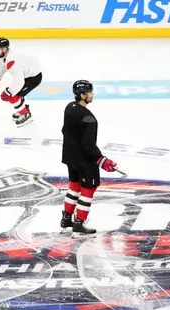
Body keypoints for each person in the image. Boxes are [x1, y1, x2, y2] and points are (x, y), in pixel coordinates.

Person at [60, 80, 120, 235]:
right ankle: (79, 222)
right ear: (83, 95)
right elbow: (88, 145)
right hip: (85, 160)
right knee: (88, 189)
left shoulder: (69, 107)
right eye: (90, 92)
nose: (92, 95)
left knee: (75, 186)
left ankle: (66, 218)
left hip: (69, 157)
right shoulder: (88, 118)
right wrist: (102, 160)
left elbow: (64, 130)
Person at [0, 37, 42, 127]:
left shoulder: (11, 60)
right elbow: (1, 67)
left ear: (4, 49)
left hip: (33, 78)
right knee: (14, 95)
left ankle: (25, 114)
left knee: (13, 96)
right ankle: (23, 110)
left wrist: (9, 92)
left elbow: (19, 80)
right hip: (27, 76)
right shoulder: (4, 56)